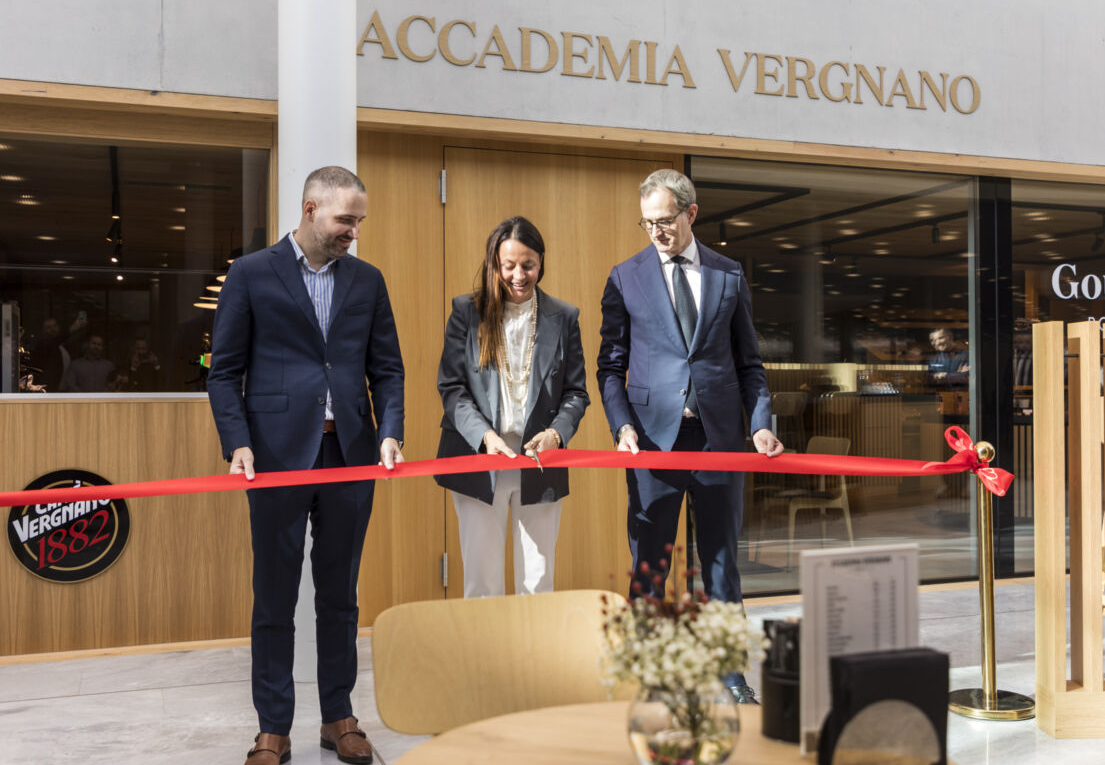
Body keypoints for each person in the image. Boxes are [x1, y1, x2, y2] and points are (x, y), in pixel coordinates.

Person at [207, 166, 405, 765]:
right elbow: (223, 373)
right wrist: (237, 441)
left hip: (349, 455)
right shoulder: (250, 273)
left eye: (359, 221)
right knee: (273, 596)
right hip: (273, 458)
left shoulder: (367, 281)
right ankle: (273, 727)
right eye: (347, 220)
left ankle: (339, 716)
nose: (354, 232)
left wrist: (390, 432)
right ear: (312, 208)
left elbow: (387, 369)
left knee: (340, 596)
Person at [597, 168, 784, 704]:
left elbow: (751, 364)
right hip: (652, 442)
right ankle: (649, 677)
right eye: (647, 223)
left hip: (720, 439)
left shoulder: (728, 274)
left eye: (666, 221)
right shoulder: (625, 276)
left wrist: (761, 423)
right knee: (650, 566)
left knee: (723, 563)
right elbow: (609, 365)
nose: (657, 232)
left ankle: (731, 675)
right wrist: (622, 423)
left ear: (691, 214)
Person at [435, 216, 589, 598]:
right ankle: (485, 659)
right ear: (495, 265)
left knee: (537, 581)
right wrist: (485, 437)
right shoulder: (465, 313)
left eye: (528, 265)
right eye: (509, 266)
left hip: (541, 462)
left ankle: (532, 659)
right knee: (482, 581)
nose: (518, 275)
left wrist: (557, 433)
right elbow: (452, 387)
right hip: (479, 460)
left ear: (541, 263)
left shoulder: (565, 317)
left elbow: (576, 393)